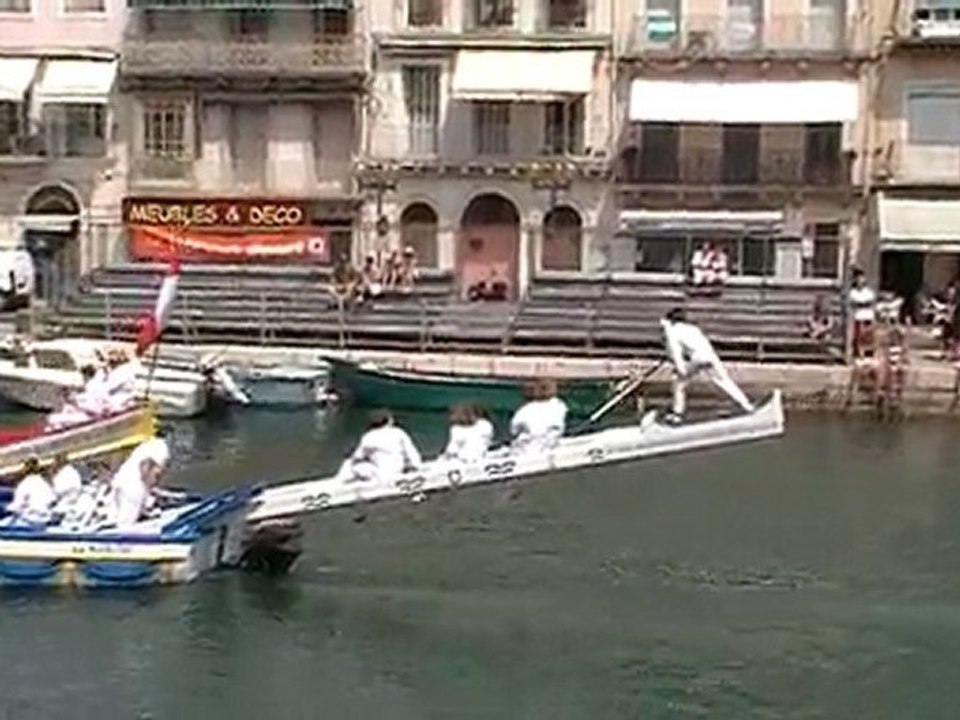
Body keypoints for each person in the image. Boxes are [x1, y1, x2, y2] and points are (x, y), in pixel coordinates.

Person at [660, 307, 755, 422]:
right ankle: (747, 406)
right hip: (710, 356)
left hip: (697, 358)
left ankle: (677, 414)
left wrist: (680, 368)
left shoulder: (672, 331)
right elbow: (702, 345)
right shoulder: (692, 328)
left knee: (678, 382)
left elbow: (676, 352)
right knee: (724, 381)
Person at [336, 409, 422, 483]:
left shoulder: (369, 436)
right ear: (389, 421)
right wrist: (416, 467)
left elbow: (357, 457)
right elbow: (411, 453)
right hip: (397, 470)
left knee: (348, 463)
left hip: (379, 474)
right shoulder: (399, 433)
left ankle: (337, 484)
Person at [109, 437, 171, 528]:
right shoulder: (135, 489)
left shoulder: (155, 447)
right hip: (131, 488)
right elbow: (146, 466)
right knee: (125, 523)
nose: (157, 482)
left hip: (122, 480)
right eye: (157, 477)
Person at [510, 379, 568, 452]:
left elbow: (514, 430)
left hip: (530, 450)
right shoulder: (559, 407)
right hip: (541, 449)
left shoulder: (522, 412)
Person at [6, 457, 55, 525]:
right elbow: (52, 500)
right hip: (45, 518)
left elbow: (17, 506)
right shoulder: (45, 483)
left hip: (29, 519)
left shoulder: (23, 485)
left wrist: (8, 508)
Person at [848, 269, 876, 358]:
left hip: (868, 316)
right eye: (858, 279)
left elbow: (870, 302)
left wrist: (862, 304)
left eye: (861, 279)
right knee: (859, 336)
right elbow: (854, 303)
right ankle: (859, 353)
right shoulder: (852, 292)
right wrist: (862, 304)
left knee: (868, 336)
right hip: (858, 317)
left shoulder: (868, 292)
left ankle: (869, 352)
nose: (860, 281)